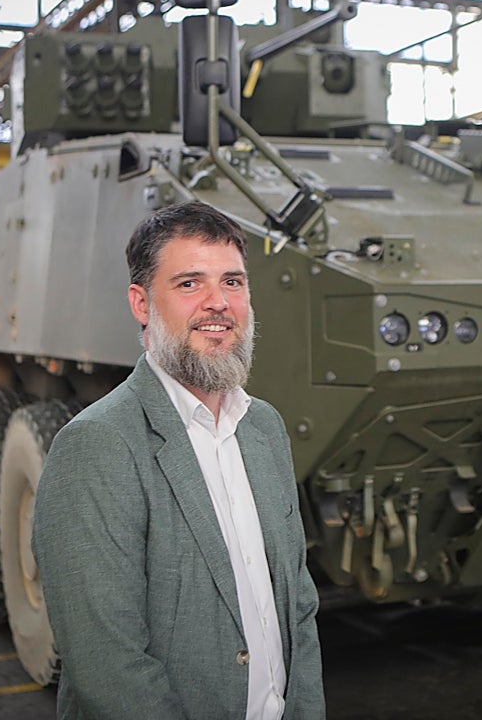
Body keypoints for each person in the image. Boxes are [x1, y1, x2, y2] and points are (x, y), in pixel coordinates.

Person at [32, 201, 325, 720]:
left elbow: (298, 609)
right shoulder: (98, 445)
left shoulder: (264, 429)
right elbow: (108, 665)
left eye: (232, 282)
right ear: (142, 304)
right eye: (190, 284)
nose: (219, 303)